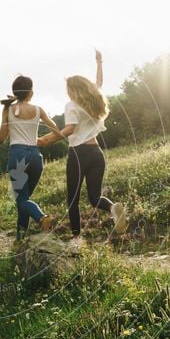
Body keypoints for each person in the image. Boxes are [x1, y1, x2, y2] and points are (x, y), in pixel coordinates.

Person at [38, 50, 127, 241]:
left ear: (73, 90)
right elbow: (99, 84)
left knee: (73, 199)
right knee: (95, 197)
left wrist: (47, 139)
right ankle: (112, 207)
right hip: (96, 153)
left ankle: (76, 237)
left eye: (68, 89)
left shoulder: (71, 105)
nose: (67, 92)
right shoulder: (93, 101)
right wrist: (100, 62)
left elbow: (70, 129)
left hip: (79, 154)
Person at [0, 75, 64, 240]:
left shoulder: (8, 110)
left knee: (21, 199)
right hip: (36, 157)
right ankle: (21, 239)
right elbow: (56, 130)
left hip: (18, 156)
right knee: (24, 199)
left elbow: (1, 139)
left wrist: (5, 113)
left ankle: (42, 218)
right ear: (31, 92)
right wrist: (45, 140)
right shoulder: (38, 109)